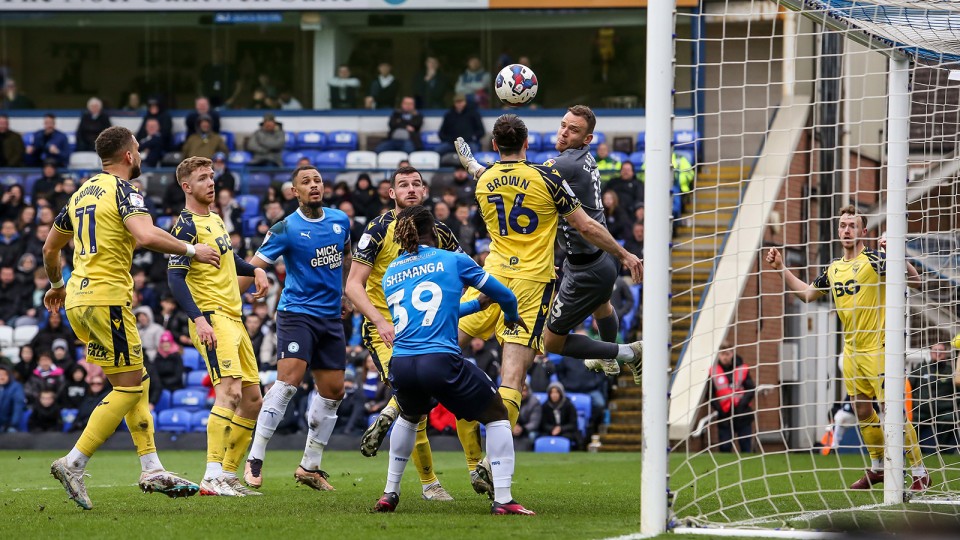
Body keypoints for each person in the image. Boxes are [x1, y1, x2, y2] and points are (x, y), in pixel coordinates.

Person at [452, 112, 644, 483]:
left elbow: (497, 173)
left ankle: (624, 353)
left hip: (518, 273)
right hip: (559, 271)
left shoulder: (508, 177)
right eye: (562, 125)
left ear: (495, 145)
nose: (563, 132)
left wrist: (477, 164)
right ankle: (615, 354)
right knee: (520, 371)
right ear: (526, 144)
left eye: (572, 129)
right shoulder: (557, 172)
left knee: (458, 348)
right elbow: (570, 211)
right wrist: (624, 255)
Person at [43, 125, 221, 509]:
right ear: (128, 155)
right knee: (127, 389)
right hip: (108, 300)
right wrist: (192, 250)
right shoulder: (124, 190)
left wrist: (57, 283)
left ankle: (152, 467)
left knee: (136, 380)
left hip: (77, 302)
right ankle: (74, 462)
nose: (139, 156)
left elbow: (50, 246)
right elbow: (145, 236)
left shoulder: (79, 194)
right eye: (137, 150)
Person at [372, 204, 534, 515]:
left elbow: (429, 314)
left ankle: (389, 493)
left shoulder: (391, 272)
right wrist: (511, 318)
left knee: (409, 416)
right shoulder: (453, 259)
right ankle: (504, 499)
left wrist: (475, 307)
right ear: (433, 231)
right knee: (498, 414)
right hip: (439, 359)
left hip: (402, 363)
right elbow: (508, 297)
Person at [765, 205, 929, 490]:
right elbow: (806, 294)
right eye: (842, 225)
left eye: (852, 225)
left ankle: (919, 472)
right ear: (838, 230)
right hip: (851, 352)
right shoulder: (833, 268)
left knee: (891, 411)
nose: (847, 230)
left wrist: (899, 256)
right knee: (862, 410)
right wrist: (781, 268)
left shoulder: (876, 259)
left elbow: (915, 283)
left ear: (863, 231)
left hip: (879, 348)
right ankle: (878, 468)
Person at [345, 166, 462, 501]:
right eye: (403, 185)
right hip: (387, 329)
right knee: (416, 396)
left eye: (416, 184)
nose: (410, 189)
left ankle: (389, 413)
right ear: (391, 193)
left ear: (424, 192)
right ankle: (429, 484)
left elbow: (465, 270)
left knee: (419, 398)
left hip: (427, 328)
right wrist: (381, 322)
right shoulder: (378, 229)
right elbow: (353, 286)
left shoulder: (440, 232)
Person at [242, 165, 352, 492]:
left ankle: (309, 466)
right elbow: (254, 264)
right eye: (306, 182)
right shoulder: (285, 228)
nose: (314, 185)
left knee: (334, 391)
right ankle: (255, 458)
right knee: (289, 382)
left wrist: (346, 290)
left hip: (331, 317)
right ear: (295, 192)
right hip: (296, 313)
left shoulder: (340, 220)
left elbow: (346, 258)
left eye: (318, 180)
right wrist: (236, 294)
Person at [167, 156, 269, 497]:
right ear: (187, 186)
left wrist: (253, 268)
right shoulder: (184, 227)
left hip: (235, 318)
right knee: (230, 392)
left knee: (253, 398)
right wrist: (199, 319)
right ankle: (211, 475)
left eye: (212, 177)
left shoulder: (214, 217)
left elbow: (228, 258)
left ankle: (227, 475)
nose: (211, 183)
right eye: (202, 178)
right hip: (211, 317)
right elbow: (175, 278)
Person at [909, 342, 959, 454]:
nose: (938, 353)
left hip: (943, 411)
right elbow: (908, 387)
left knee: (951, 418)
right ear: (931, 353)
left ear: (946, 353)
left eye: (941, 351)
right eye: (935, 350)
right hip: (920, 410)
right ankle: (917, 450)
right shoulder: (921, 368)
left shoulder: (951, 371)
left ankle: (943, 450)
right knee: (909, 421)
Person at [709, 342, 756, 453]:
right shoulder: (714, 372)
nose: (725, 357)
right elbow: (710, 395)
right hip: (725, 414)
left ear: (732, 354)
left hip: (742, 414)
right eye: (722, 354)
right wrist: (719, 409)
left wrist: (741, 405)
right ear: (719, 355)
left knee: (745, 446)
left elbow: (750, 389)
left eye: (727, 354)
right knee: (725, 447)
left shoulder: (742, 369)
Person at [538, 382, 581, 450]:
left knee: (571, 436)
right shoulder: (545, 406)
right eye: (552, 392)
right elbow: (543, 424)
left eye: (556, 392)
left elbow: (573, 424)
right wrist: (552, 429)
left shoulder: (569, 405)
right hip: (550, 432)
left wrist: (560, 429)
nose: (554, 395)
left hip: (566, 431)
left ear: (561, 393)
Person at [0, 364, 25, 432]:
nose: (1, 377)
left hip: (9, 425)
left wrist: (13, 424)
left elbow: (18, 407)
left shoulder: (16, 387)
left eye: (4, 374)